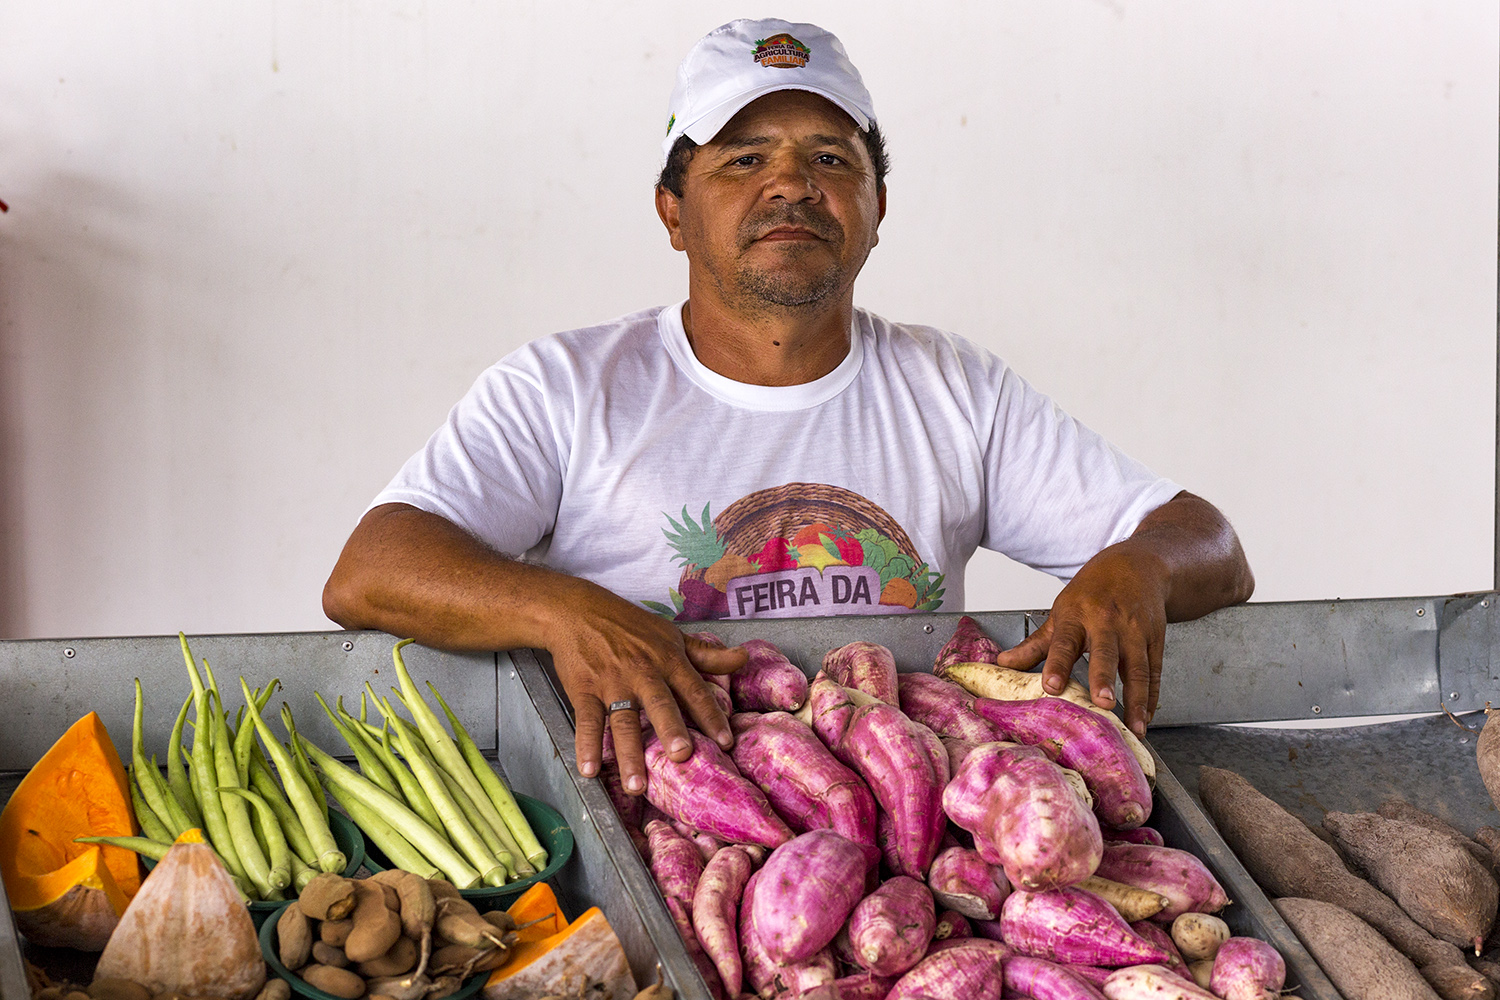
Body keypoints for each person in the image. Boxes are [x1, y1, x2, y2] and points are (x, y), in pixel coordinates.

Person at [323, 18, 1254, 796]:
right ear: (673, 212)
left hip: (902, 834)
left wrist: (1139, 564)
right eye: (743, 159)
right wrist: (568, 614)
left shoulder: (953, 389)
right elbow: (370, 571)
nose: (791, 185)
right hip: (653, 808)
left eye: (829, 157)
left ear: (876, 206)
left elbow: (1211, 546)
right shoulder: (567, 386)